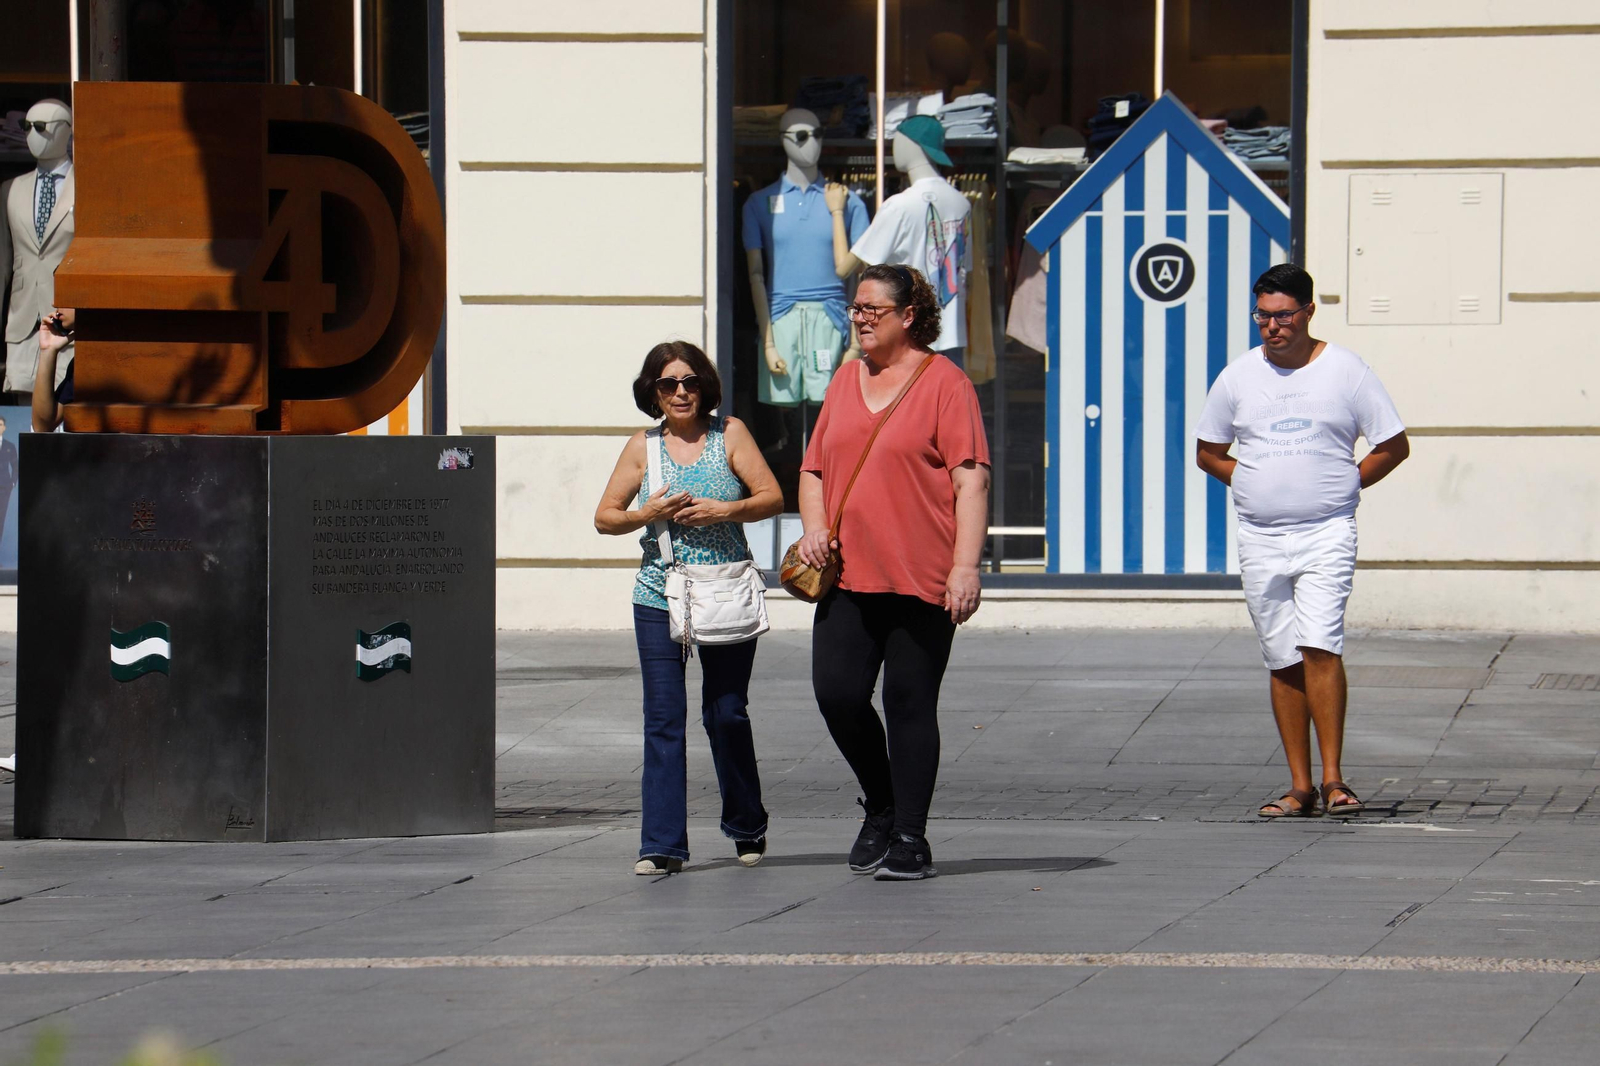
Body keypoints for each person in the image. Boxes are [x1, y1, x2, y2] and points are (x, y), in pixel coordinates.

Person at [794, 264, 991, 880]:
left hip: (921, 575)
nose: (860, 318)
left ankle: (909, 834)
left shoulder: (946, 384)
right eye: (855, 308)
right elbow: (813, 471)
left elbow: (971, 478)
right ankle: (880, 803)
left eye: (873, 310)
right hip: (849, 573)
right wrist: (813, 528)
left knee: (910, 704)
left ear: (909, 317)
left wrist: (966, 566)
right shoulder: (845, 381)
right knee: (839, 695)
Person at [1195, 264, 1409, 819]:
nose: (1272, 326)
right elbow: (1208, 451)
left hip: (1326, 530)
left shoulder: (1347, 371)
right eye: (1262, 315)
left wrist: (1349, 480)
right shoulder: (1238, 376)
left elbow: (1394, 443)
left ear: (1308, 312)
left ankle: (1335, 779)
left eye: (1283, 315)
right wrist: (1247, 477)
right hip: (1260, 535)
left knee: (1320, 644)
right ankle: (1299, 785)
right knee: (1281, 654)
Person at [594, 341, 783, 875]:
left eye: (690, 382)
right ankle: (661, 844)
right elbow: (605, 517)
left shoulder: (731, 434)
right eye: (667, 384)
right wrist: (648, 511)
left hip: (722, 590)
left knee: (726, 714)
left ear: (705, 386)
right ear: (652, 391)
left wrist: (727, 509)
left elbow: (772, 497)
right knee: (663, 718)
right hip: (659, 594)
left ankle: (748, 826)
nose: (680, 392)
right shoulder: (642, 447)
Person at [32, 308, 73, 432]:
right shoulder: (82, 362)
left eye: (68, 297)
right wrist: (48, 350)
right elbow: (42, 426)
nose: (55, 304)